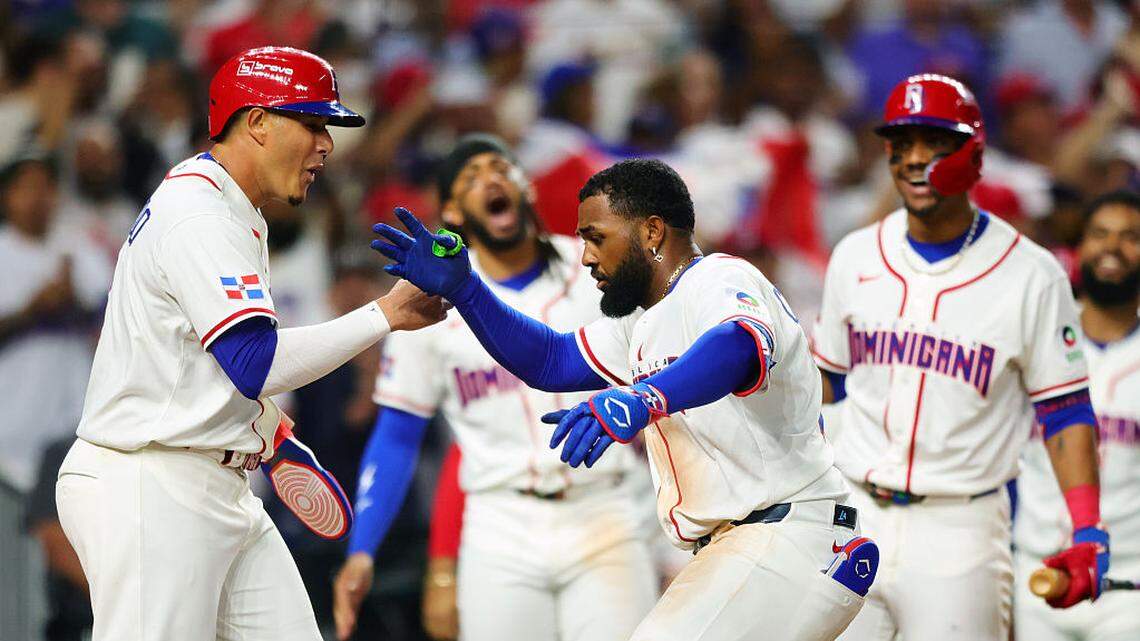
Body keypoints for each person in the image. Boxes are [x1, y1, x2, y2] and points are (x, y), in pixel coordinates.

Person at [372, 158, 878, 641]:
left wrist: (643, 399)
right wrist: (467, 290)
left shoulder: (719, 278)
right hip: (750, 546)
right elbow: (549, 360)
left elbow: (738, 344)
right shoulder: (641, 321)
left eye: (596, 237)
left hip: (786, 536)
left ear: (652, 231)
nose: (588, 255)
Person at [54, 46, 446, 641]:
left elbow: (192, 360)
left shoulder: (228, 208)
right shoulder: (200, 216)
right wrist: (385, 314)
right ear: (257, 121)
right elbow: (253, 363)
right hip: (149, 481)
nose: (326, 144)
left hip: (213, 478)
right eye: (311, 123)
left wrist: (264, 431)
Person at [811, 74, 1107, 641]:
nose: (916, 159)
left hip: (961, 527)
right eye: (903, 143)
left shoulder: (1032, 274)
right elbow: (828, 387)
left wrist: (1087, 529)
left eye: (935, 143)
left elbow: (1065, 411)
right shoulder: (854, 255)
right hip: (855, 513)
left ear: (972, 154)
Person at [333, 134, 656, 641]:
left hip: (608, 510)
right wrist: (362, 550)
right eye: (470, 176)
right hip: (499, 525)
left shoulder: (596, 266)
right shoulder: (428, 301)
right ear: (452, 212)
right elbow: (397, 434)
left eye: (500, 166)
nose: (490, 178)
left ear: (526, 186)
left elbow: (662, 372)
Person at [1014, 190, 1140, 641]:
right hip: (1036, 569)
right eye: (1100, 233)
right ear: (1080, 246)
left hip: (1128, 583)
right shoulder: (1038, 339)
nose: (1113, 247)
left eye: (1130, 237)